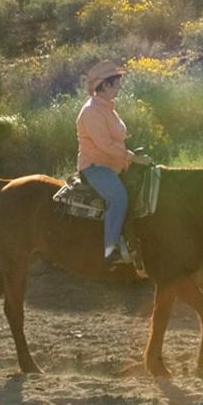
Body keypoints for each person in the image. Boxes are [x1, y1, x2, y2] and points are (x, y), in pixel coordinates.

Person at [76, 60, 149, 265]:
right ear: (106, 85)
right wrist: (132, 157)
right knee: (118, 197)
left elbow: (116, 141)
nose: (118, 87)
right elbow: (105, 145)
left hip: (113, 162)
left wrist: (132, 155)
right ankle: (110, 249)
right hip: (95, 167)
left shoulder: (107, 108)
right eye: (116, 83)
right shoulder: (91, 112)